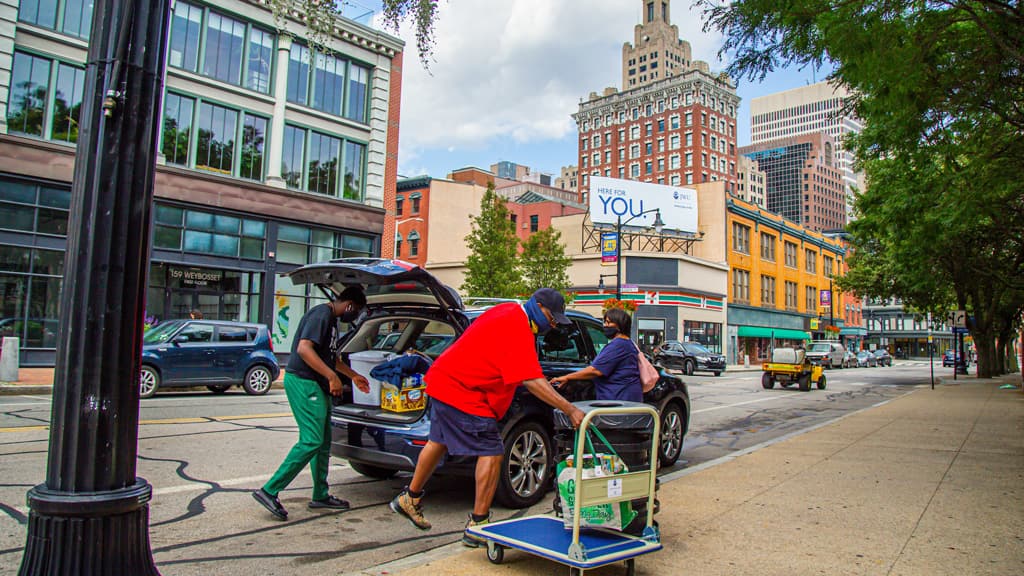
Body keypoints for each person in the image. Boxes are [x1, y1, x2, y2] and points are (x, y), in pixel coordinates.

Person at [389, 288, 586, 546]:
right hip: (463, 390)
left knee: (437, 441)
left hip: (443, 381)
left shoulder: (507, 312)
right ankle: (478, 525)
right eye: (552, 316)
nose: (552, 323)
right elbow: (530, 379)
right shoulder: (517, 325)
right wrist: (570, 409)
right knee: (492, 451)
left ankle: (409, 498)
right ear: (538, 305)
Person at [253, 286, 368, 521]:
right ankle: (269, 490)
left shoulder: (332, 321)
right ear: (349, 305)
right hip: (304, 382)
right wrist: (331, 377)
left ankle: (320, 495)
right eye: (355, 311)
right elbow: (304, 349)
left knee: (323, 441)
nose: (354, 316)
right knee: (312, 440)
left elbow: (330, 357)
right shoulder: (321, 315)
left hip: (316, 384)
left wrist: (352, 375)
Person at [549, 308, 642, 402]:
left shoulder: (618, 345)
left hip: (618, 401)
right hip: (623, 398)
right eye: (604, 322)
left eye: (608, 323)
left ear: (620, 325)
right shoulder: (627, 343)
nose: (605, 325)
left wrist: (567, 377)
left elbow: (595, 370)